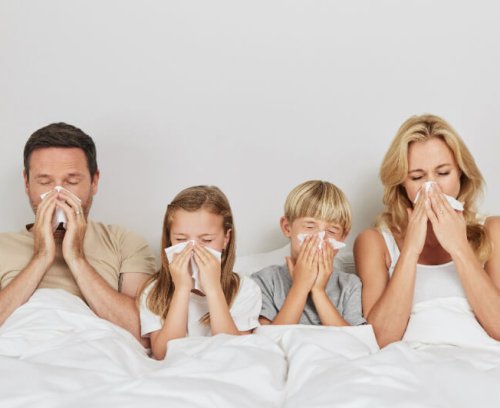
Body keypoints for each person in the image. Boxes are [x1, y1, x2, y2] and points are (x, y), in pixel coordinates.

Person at [0, 122, 156, 341]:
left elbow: (143, 334)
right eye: (44, 181)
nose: (58, 194)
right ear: (26, 183)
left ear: (94, 181)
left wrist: (76, 258)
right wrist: (41, 256)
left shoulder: (124, 242)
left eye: (72, 181)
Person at [354, 114, 500, 347]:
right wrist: (410, 250)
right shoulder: (375, 242)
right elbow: (379, 339)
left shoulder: (493, 231)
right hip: (410, 361)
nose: (431, 187)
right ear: (401, 183)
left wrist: (459, 248)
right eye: (417, 177)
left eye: (443, 173)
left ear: (461, 173)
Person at [139, 185, 262, 360]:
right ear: (169, 239)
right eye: (181, 239)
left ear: (226, 238)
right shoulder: (154, 291)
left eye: (206, 240)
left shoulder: (245, 289)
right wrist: (182, 289)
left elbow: (233, 351)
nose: (192, 248)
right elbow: (163, 354)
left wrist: (213, 289)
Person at [251, 180, 365, 327]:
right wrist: (300, 286)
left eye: (332, 231)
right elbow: (268, 338)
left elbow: (353, 339)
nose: (320, 238)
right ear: (287, 228)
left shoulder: (349, 285)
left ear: (343, 237)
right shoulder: (265, 281)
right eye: (310, 226)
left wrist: (318, 291)